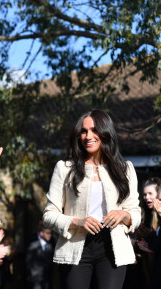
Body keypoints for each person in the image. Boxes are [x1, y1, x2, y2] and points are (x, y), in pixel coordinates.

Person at [43, 109, 141, 289]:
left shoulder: (125, 169)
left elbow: (135, 212)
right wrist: (77, 221)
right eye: (84, 131)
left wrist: (123, 215)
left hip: (112, 248)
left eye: (94, 130)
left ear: (106, 132)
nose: (88, 136)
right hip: (76, 247)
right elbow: (49, 215)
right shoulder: (64, 169)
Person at [26, 221, 54, 289]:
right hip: (36, 277)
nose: (49, 235)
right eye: (47, 233)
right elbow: (28, 261)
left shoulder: (50, 245)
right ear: (41, 233)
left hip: (47, 277)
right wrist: (32, 273)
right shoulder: (33, 245)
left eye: (50, 233)